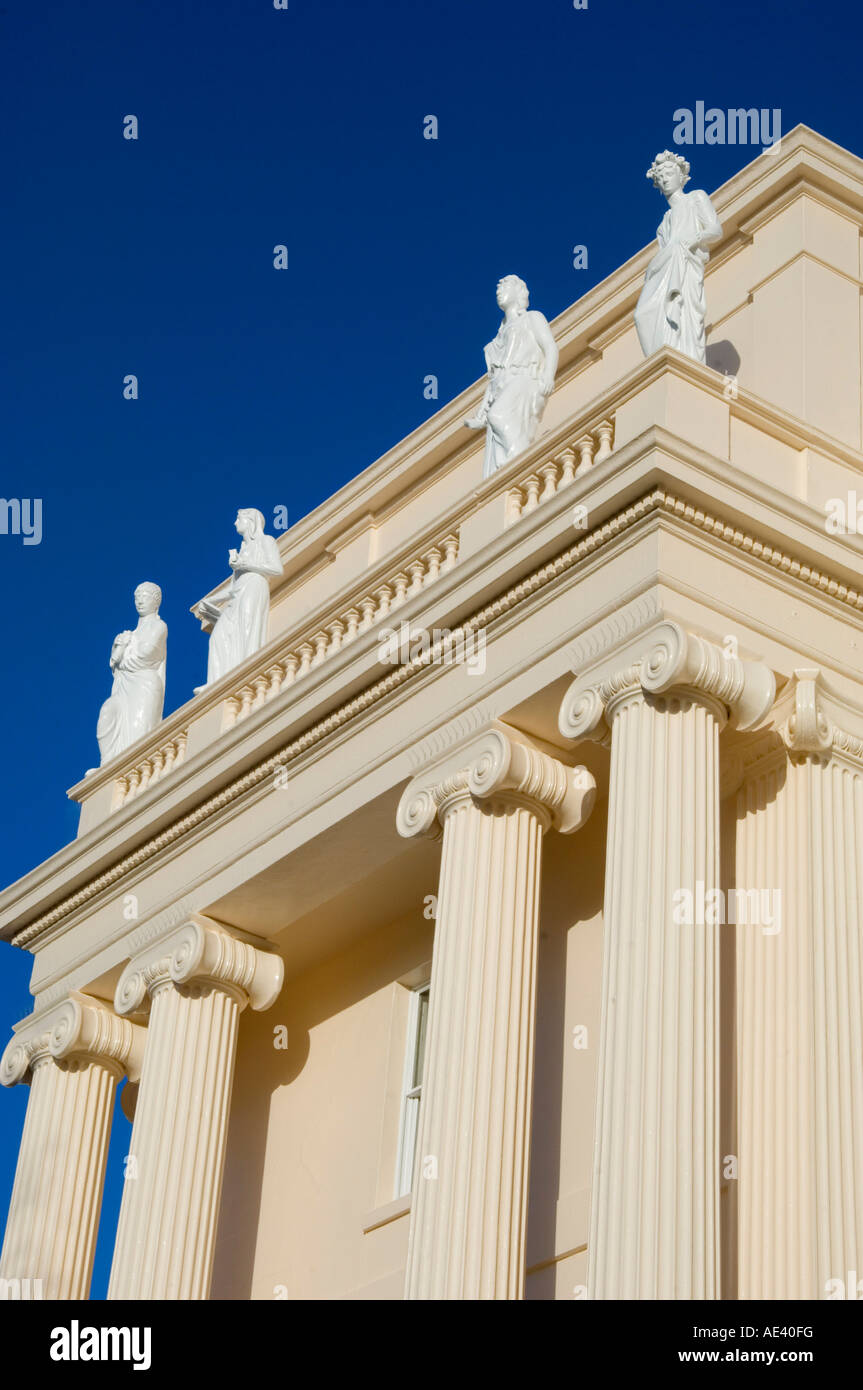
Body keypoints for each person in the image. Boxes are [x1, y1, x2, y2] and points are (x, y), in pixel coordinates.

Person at [465, 275, 559, 479]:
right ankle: (513, 472)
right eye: (498, 288)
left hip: (525, 379)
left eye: (505, 285)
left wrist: (548, 375)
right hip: (504, 387)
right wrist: (481, 415)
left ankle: (521, 462)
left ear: (519, 291)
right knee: (496, 436)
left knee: (498, 416)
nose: (499, 290)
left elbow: (550, 346)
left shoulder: (532, 318)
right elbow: (493, 383)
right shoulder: (494, 342)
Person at [635, 151, 722, 364]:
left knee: (683, 313)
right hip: (665, 267)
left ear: (680, 176)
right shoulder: (664, 223)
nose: (665, 179)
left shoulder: (696, 198)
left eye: (668, 173)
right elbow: (666, 249)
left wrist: (694, 239)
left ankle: (683, 359)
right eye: (660, 176)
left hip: (686, 266)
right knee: (641, 314)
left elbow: (716, 230)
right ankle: (660, 362)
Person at [197, 508, 283, 689]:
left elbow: (276, 569)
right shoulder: (243, 549)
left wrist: (245, 564)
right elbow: (232, 587)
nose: (235, 523)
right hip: (238, 593)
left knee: (247, 628)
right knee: (217, 637)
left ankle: (246, 675)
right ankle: (216, 683)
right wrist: (210, 600)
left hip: (254, 586)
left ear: (250, 521)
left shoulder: (266, 541)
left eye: (239, 519)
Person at [96, 582, 167, 764]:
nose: (140, 601)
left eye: (145, 597)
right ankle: (108, 764)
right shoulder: (129, 634)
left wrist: (124, 657)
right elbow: (114, 663)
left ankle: (132, 767)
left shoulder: (159, 626)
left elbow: (148, 654)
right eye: (137, 597)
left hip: (145, 684)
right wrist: (120, 647)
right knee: (107, 713)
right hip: (124, 688)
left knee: (138, 733)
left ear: (156, 601)